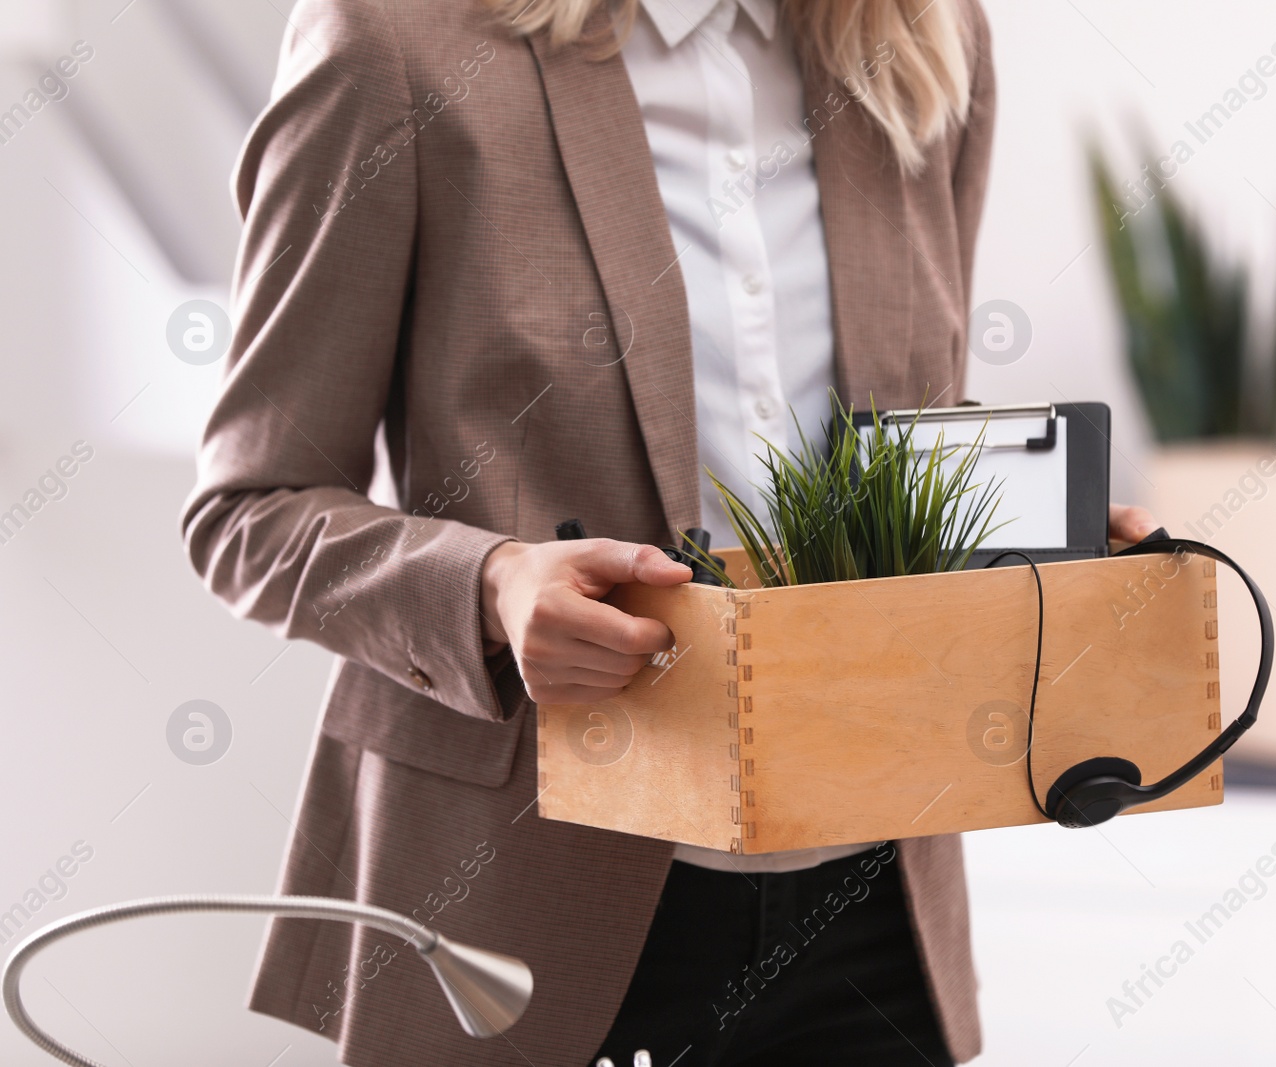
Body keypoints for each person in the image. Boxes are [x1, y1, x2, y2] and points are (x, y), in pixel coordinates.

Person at [183, 0, 1157, 1064]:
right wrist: (492, 585)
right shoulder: (390, 38)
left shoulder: (929, 39)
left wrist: (1022, 536)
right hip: (527, 905)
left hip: (875, 904)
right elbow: (250, 507)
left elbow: (887, 440)